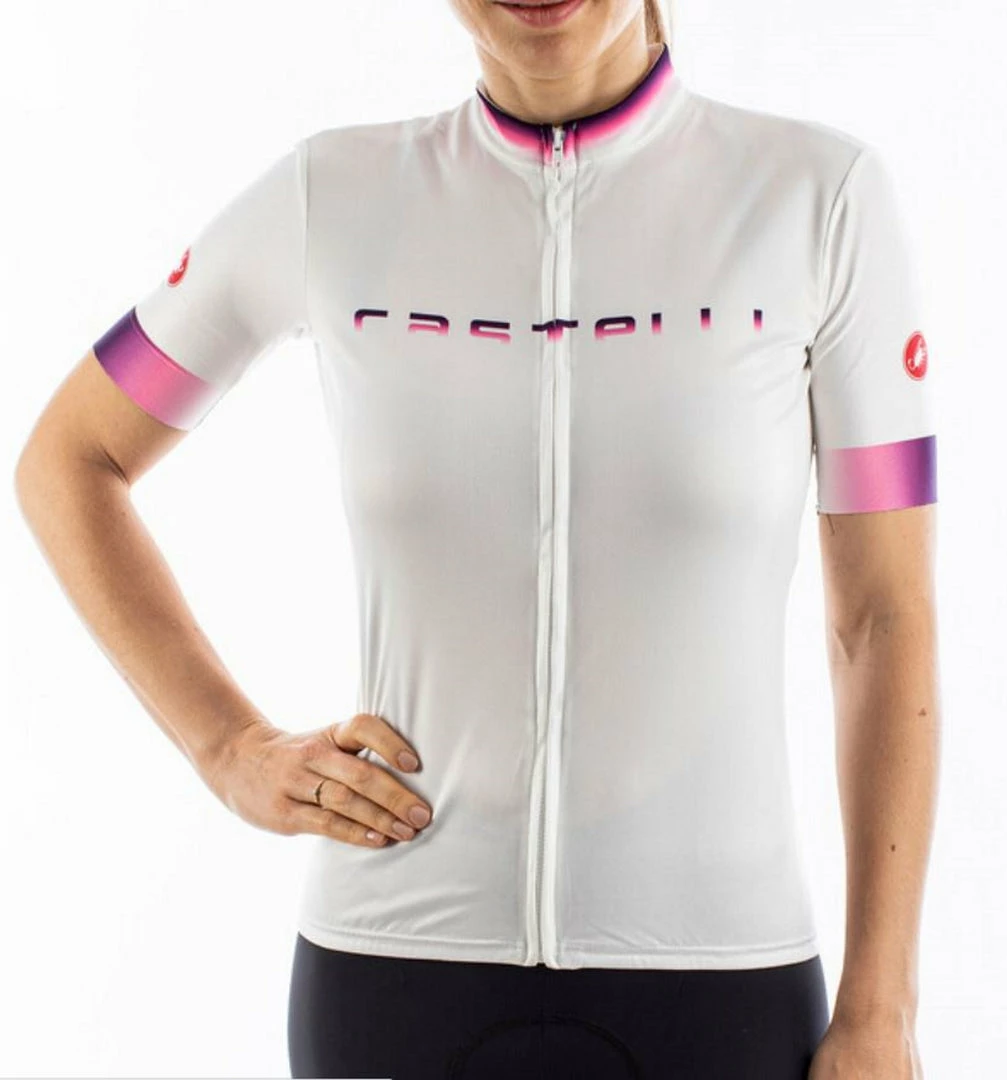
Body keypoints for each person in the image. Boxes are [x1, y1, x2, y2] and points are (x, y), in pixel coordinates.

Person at [13, 0, 940, 1076]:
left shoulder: (818, 201)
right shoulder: (333, 197)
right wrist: (228, 749)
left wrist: (881, 1012)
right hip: (390, 977)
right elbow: (70, 460)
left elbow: (882, 619)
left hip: (719, 983)